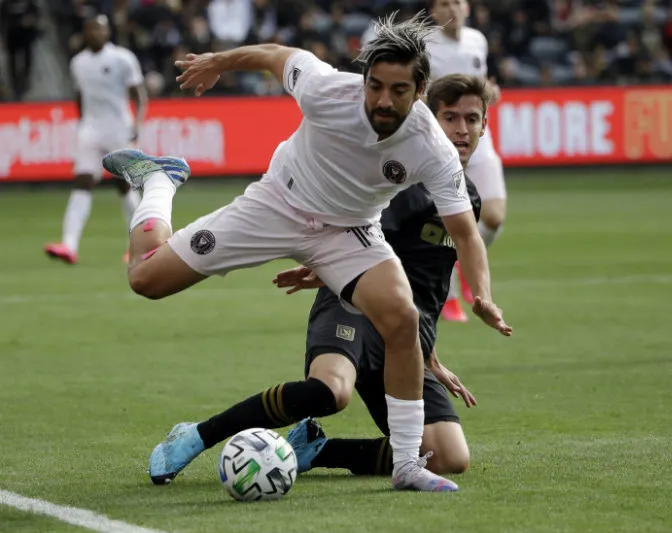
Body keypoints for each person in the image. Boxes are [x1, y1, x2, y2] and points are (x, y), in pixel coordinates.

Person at [102, 13, 511, 492]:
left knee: (401, 316)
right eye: (374, 86)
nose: (381, 100)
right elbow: (277, 56)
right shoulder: (327, 91)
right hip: (279, 203)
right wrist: (219, 61)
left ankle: (405, 465)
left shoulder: (432, 147)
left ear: (419, 90)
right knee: (146, 279)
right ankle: (157, 180)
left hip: (348, 231)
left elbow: (465, 234)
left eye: (397, 90)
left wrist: (481, 294)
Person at [44, 15, 147, 265]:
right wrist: (81, 124)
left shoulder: (122, 58)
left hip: (119, 130)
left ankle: (140, 245)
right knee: (83, 181)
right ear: (85, 32)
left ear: (108, 32)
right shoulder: (78, 62)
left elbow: (139, 95)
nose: (96, 33)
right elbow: (80, 95)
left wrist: (138, 125)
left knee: (124, 185)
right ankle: (69, 245)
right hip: (90, 129)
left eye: (100, 29)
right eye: (92, 29)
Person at [426, 0, 506, 322]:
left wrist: (489, 94)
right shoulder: (425, 44)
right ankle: (446, 294)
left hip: (477, 137)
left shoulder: (477, 40)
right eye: (444, 4)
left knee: (495, 217)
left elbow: (480, 86)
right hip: (440, 140)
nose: (452, 9)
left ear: (468, 8)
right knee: (438, 220)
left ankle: (462, 260)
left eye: (457, 2)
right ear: (434, 12)